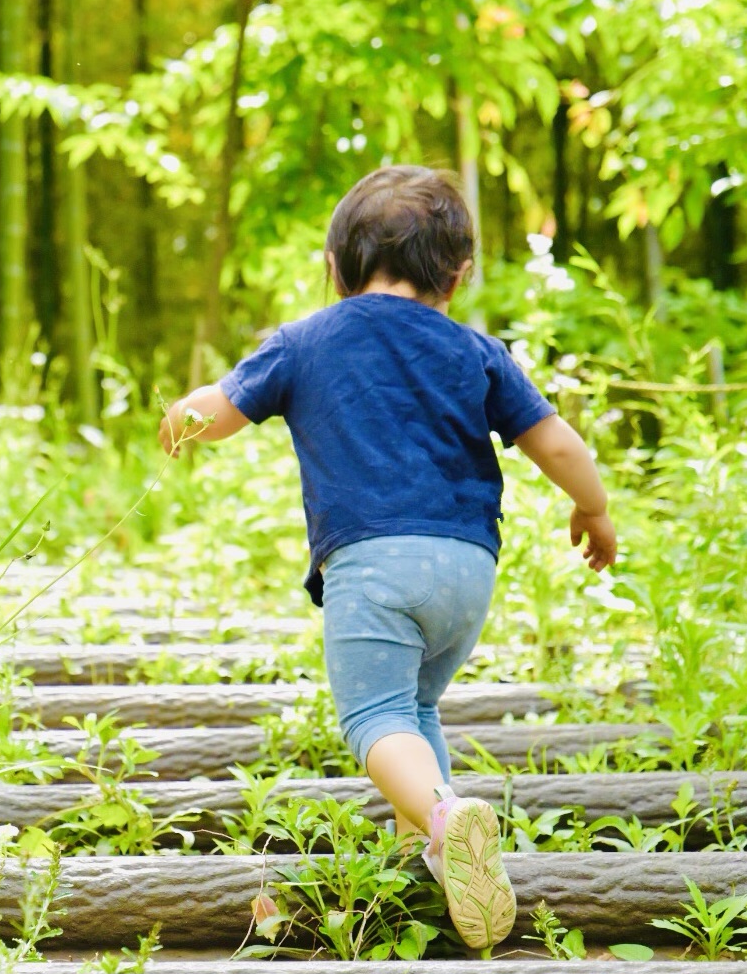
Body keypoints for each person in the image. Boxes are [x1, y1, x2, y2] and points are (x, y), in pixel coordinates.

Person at [157, 165, 617, 951]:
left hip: (372, 566)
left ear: (334, 268)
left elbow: (216, 412)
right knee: (416, 708)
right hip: (468, 571)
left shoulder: (306, 339)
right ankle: (429, 856)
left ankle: (445, 818)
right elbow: (558, 442)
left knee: (372, 715)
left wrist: (178, 419)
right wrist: (594, 508)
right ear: (459, 274)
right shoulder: (477, 350)